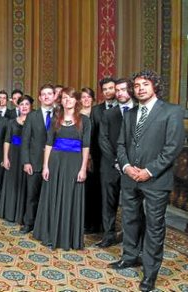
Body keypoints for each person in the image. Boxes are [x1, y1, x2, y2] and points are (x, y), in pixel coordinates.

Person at [110, 70, 185, 292]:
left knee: (154, 227)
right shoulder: (130, 114)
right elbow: (121, 144)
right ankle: (130, 256)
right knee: (130, 220)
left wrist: (149, 171)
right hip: (131, 178)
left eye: (145, 84)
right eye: (136, 85)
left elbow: (173, 148)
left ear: (155, 86)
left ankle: (150, 273)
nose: (140, 88)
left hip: (156, 180)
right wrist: (126, 167)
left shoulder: (171, 111)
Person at [33, 87, 91, 251]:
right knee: (53, 196)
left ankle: (67, 237)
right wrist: (45, 166)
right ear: (61, 100)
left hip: (74, 163)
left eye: (71, 98)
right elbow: (49, 143)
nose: (67, 101)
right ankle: (50, 235)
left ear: (76, 101)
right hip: (55, 162)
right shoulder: (55, 119)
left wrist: (83, 168)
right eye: (65, 98)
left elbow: (86, 146)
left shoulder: (85, 121)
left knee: (70, 198)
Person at [96, 79, 135, 247]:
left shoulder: (139, 111)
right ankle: (109, 235)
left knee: (131, 204)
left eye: (123, 90)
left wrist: (126, 162)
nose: (119, 93)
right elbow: (103, 139)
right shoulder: (108, 114)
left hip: (133, 166)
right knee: (108, 202)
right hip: (110, 165)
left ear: (130, 91)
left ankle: (130, 238)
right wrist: (116, 161)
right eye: (117, 90)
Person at [19, 84, 55, 234]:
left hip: (54, 163)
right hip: (34, 163)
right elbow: (25, 141)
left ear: (54, 96)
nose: (46, 97)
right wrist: (26, 161)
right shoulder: (32, 116)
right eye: (43, 94)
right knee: (32, 196)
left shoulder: (60, 114)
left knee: (51, 197)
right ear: (40, 98)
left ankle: (47, 225)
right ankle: (29, 223)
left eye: (49, 94)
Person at [0, 95, 33, 223]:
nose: (24, 106)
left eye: (26, 104)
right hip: (13, 154)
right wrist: (5, 157)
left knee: (24, 185)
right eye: (21, 104)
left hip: (27, 155)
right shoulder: (12, 122)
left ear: (31, 106)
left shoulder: (34, 121)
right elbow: (7, 141)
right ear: (18, 106)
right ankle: (10, 213)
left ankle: (22, 216)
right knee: (12, 183)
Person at [89, 77, 116, 232]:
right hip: (100, 159)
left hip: (122, 159)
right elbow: (92, 136)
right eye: (105, 89)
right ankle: (99, 227)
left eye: (110, 88)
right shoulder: (96, 110)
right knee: (99, 194)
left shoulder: (125, 109)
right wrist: (91, 158)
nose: (108, 92)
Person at [80, 87, 102, 235]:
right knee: (81, 190)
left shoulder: (98, 113)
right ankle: (82, 221)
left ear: (93, 99)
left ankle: (95, 223)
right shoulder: (76, 115)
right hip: (78, 155)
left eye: (88, 97)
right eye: (83, 97)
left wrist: (91, 156)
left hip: (96, 156)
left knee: (94, 190)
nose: (86, 99)